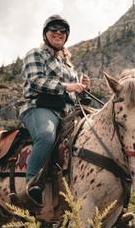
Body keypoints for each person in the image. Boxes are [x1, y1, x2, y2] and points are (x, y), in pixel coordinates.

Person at [19, 15, 90, 205]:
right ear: (46, 34)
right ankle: (31, 184)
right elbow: (36, 81)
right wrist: (68, 86)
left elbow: (74, 96)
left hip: (65, 113)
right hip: (39, 107)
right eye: (54, 30)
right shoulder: (35, 54)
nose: (59, 33)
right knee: (46, 136)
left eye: (62, 31)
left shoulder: (68, 66)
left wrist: (82, 89)